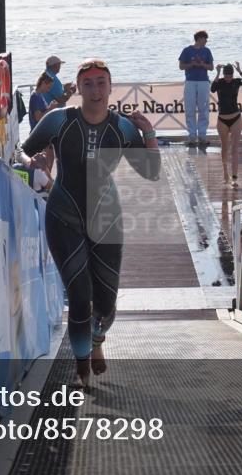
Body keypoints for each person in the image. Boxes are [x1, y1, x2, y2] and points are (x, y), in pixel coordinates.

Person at [20, 58, 161, 387]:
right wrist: (34, 163)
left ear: (110, 87)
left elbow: (150, 172)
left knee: (108, 304)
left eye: (101, 82)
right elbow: (22, 151)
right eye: (88, 83)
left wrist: (149, 131)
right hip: (63, 215)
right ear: (78, 88)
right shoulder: (59, 120)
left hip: (107, 217)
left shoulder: (122, 127)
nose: (95, 89)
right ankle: (81, 366)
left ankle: (97, 341)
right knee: (80, 295)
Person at [211, 62, 242, 188]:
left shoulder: (236, 81)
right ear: (223, 75)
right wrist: (217, 73)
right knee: (224, 147)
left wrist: (240, 71)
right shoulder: (220, 82)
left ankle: (234, 176)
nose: (228, 78)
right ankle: (225, 173)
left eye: (230, 75)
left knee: (235, 148)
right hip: (222, 119)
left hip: (236, 118)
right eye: (226, 75)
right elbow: (212, 88)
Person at [178, 30, 214, 145]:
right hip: (190, 81)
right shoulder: (187, 50)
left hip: (203, 81)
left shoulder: (207, 51)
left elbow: (211, 67)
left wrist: (203, 65)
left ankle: (202, 135)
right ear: (199, 39)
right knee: (190, 109)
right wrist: (192, 65)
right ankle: (192, 136)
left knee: (204, 109)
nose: (206, 41)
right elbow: (181, 66)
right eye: (205, 39)